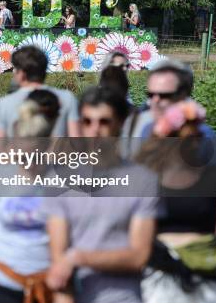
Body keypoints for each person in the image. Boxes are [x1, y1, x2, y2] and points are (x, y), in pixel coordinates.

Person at [44, 86, 160, 303]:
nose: (95, 130)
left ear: (120, 124)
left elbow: (139, 255)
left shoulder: (143, 179)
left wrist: (80, 257)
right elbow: (58, 259)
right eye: (88, 121)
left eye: (104, 122)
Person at [0, 89, 60, 303]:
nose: (28, 164)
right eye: (22, 156)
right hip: (1, 282)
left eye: (34, 156)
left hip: (47, 284)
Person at [135, 100, 216, 303]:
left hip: (207, 270)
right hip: (161, 274)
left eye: (198, 137)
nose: (196, 142)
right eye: (189, 137)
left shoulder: (214, 177)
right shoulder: (149, 178)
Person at [0, 45, 80, 138]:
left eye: (15, 70)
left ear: (22, 74)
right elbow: (76, 140)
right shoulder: (67, 97)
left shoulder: (4, 103)